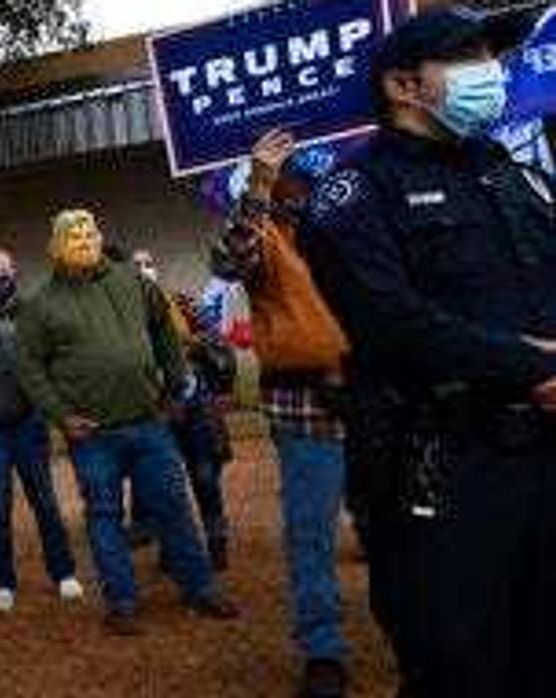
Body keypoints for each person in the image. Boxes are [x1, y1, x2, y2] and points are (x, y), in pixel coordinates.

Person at [299, 8, 556, 697]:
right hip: (443, 466)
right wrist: (534, 368)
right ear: (402, 86)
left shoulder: (501, 168)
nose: (490, 71)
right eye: (467, 56)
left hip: (541, 455)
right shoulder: (354, 189)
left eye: (492, 54)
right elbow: (392, 324)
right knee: (458, 668)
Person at [17, 209, 239, 637]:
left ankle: (200, 587)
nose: (82, 240)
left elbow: (163, 329)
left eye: (88, 232)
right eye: (72, 235)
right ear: (55, 246)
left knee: (173, 503)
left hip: (148, 423)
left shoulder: (132, 281)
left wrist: (177, 382)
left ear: (100, 236)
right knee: (104, 516)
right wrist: (61, 416)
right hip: (92, 434)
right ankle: (121, 601)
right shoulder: (41, 306)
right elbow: (29, 368)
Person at [212, 128, 352, 698]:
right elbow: (228, 259)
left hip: (377, 400)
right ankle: (324, 652)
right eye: (293, 182)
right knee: (311, 533)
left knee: (400, 525)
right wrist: (260, 184)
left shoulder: (356, 228)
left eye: (312, 181)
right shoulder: (264, 236)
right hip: (306, 408)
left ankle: (413, 627)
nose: (307, 191)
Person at [0, 247, 83, 612]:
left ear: (15, 273)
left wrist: (41, 400)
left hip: (29, 422)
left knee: (45, 500)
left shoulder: (33, 313)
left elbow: (49, 360)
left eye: (3, 274)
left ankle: (64, 572)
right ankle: (2, 581)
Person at [129, 250, 236, 568]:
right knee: (165, 482)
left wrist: (187, 346)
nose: (144, 270)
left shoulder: (182, 303)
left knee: (205, 478)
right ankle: (172, 548)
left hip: (196, 406)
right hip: (157, 412)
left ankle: (217, 542)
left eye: (149, 263)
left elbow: (218, 341)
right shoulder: (123, 316)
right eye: (136, 266)